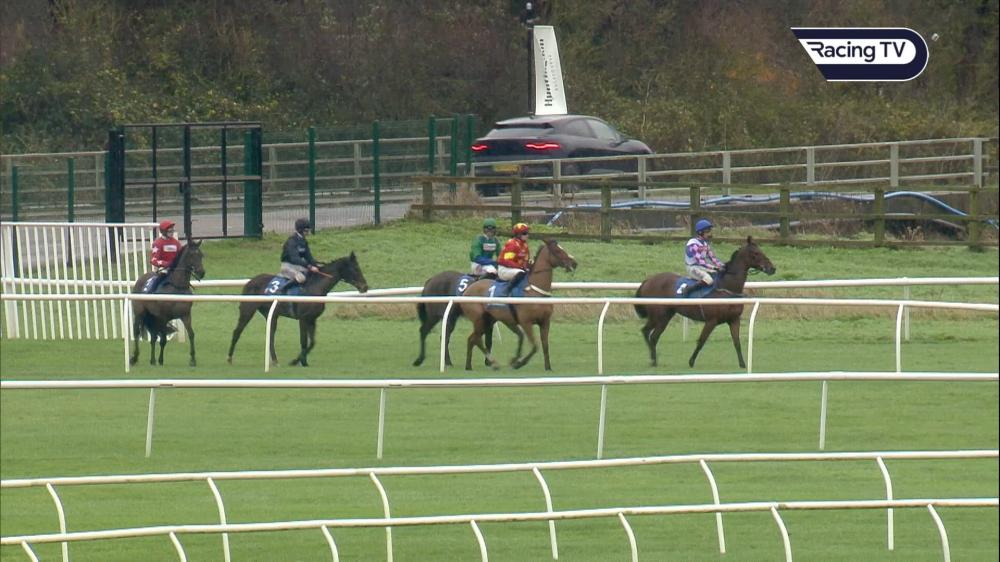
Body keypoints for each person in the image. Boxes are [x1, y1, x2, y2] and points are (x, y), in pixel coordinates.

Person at [679, 219, 725, 295]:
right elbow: (701, 262)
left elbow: (713, 258)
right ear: (700, 232)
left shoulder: (705, 244)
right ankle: (688, 290)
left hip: (700, 267)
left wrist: (723, 266)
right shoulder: (693, 244)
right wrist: (714, 267)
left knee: (716, 274)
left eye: (710, 231)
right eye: (707, 232)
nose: (710, 234)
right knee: (709, 279)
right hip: (692, 267)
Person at [280, 218, 320, 285]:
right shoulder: (291, 241)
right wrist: (310, 267)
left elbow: (308, 257)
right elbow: (295, 259)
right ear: (300, 230)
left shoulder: (303, 241)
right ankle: (282, 289)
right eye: (306, 230)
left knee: (311, 275)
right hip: (287, 266)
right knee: (301, 278)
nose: (308, 232)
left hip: (298, 266)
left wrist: (316, 265)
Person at [148, 219, 180, 291]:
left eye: (172, 231)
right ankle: (151, 291)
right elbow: (153, 260)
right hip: (163, 269)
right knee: (161, 275)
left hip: (175, 269)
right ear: (164, 232)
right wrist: (166, 264)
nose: (172, 233)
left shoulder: (176, 243)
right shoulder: (158, 243)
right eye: (170, 231)